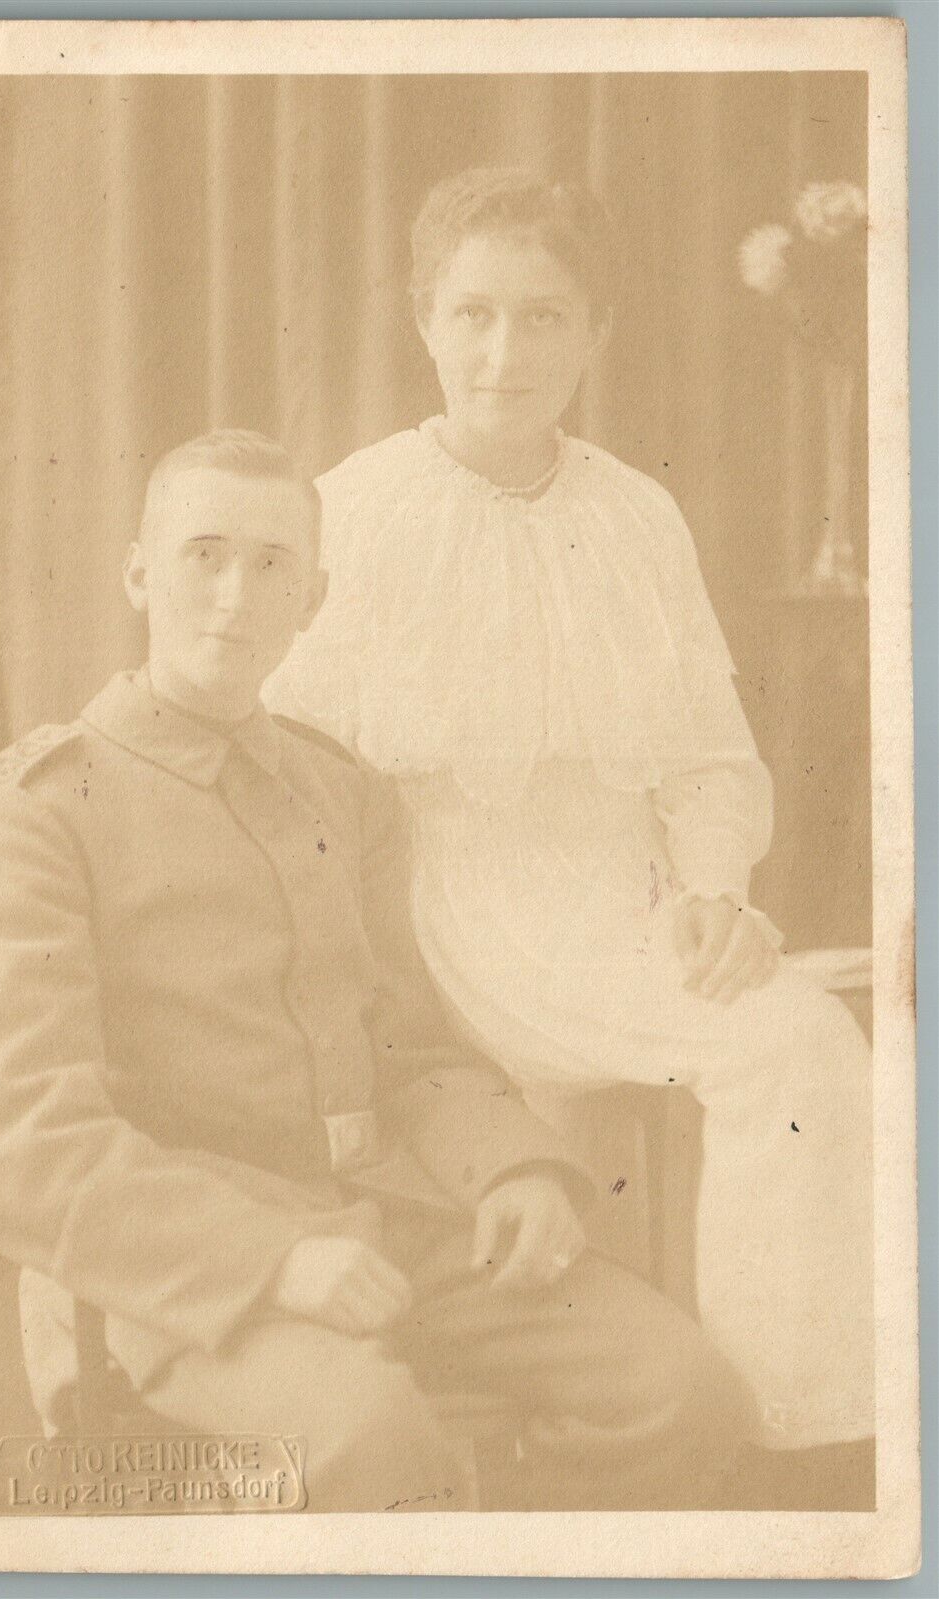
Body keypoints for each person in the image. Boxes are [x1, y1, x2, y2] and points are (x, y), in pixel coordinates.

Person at [0, 428, 753, 1514]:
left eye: (274, 564)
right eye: (204, 554)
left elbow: (410, 1046)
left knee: (683, 1391)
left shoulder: (343, 793)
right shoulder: (38, 809)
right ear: (140, 571)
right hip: (180, 1274)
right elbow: (19, 1144)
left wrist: (512, 1168)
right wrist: (272, 1261)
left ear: (316, 597)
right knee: (375, 1445)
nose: (237, 596)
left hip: (387, 1225)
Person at [264, 169, 875, 1497]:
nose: (505, 352)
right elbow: (285, 763)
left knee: (816, 1034)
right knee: (794, 1038)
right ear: (424, 319)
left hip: (635, 897)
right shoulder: (357, 509)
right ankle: (786, 1459)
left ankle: (809, 1436)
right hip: (454, 912)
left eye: (544, 318)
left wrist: (714, 886)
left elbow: (706, 756)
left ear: (595, 333)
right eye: (473, 312)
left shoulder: (633, 513)